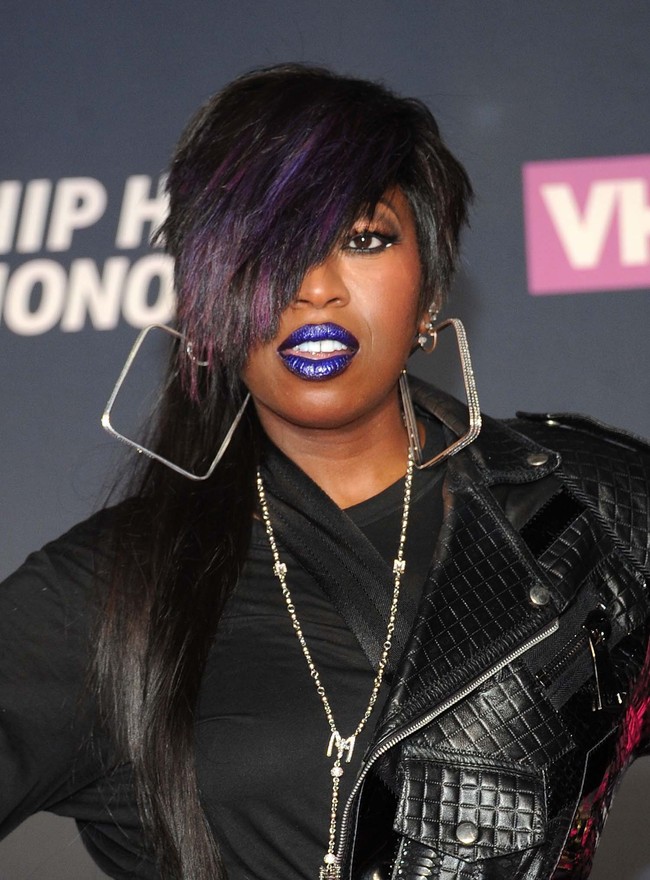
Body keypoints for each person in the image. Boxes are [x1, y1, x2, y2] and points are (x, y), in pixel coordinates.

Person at [1, 63, 649, 880]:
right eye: (271, 249)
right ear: (206, 300)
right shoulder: (104, 599)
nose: (314, 288)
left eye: (363, 239)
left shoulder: (587, 509)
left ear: (430, 289)